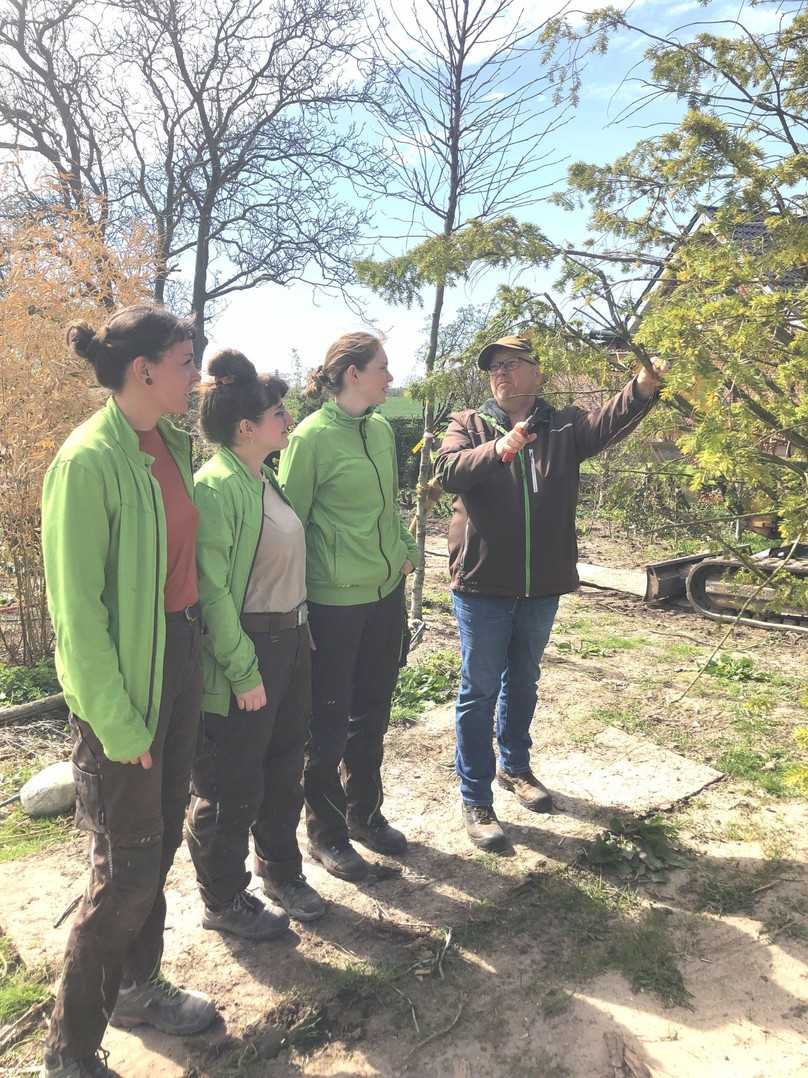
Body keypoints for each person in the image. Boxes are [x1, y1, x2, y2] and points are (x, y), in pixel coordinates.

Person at [40, 305, 216, 1078]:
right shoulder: (87, 463)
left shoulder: (167, 445)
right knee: (127, 868)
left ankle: (140, 989)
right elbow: (78, 620)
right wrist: (119, 723)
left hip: (176, 662)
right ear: (144, 370)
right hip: (124, 693)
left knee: (159, 841)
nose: (196, 374)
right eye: (185, 360)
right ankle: (69, 1049)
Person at [434, 335, 664, 852]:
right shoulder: (469, 424)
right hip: (483, 583)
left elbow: (606, 422)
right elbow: (448, 471)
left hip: (541, 585)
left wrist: (643, 387)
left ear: (537, 372)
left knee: (525, 681)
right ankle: (476, 798)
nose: (500, 373)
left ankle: (514, 768)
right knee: (479, 690)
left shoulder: (563, 426)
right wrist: (500, 448)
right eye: (494, 366)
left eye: (511, 364)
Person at [185, 350, 326, 935]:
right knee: (231, 783)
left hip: (290, 641)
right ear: (247, 428)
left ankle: (280, 869)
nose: (287, 419)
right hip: (247, 652)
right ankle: (222, 900)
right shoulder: (215, 487)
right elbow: (212, 591)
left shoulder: (261, 476)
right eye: (277, 413)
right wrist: (243, 671)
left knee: (284, 767)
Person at [278, 333, 419, 882]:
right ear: (353, 373)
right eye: (383, 368)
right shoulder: (311, 438)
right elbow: (291, 526)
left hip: (384, 597)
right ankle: (327, 836)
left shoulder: (381, 430)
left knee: (373, 716)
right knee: (329, 725)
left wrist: (405, 552)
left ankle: (365, 814)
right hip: (334, 605)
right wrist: (301, 608)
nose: (391, 376)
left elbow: (389, 508)